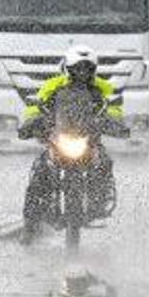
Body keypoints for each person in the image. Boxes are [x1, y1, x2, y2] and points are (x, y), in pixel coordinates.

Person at [18, 44, 125, 244]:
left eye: (87, 68)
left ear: (94, 69)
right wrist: (32, 124)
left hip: (88, 140)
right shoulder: (53, 86)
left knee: (104, 163)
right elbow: (35, 107)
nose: (82, 72)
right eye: (77, 68)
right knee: (39, 173)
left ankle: (99, 201)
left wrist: (115, 124)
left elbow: (114, 110)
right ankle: (29, 224)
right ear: (68, 67)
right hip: (59, 138)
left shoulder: (103, 88)